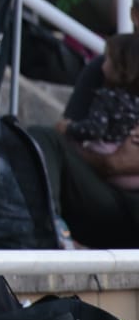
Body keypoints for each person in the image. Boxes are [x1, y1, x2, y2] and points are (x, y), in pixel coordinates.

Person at [30, 31, 139, 248]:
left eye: (109, 61)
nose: (104, 65)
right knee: (43, 137)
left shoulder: (109, 95)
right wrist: (105, 160)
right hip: (104, 196)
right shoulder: (102, 77)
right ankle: (52, 227)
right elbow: (109, 160)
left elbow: (116, 160)